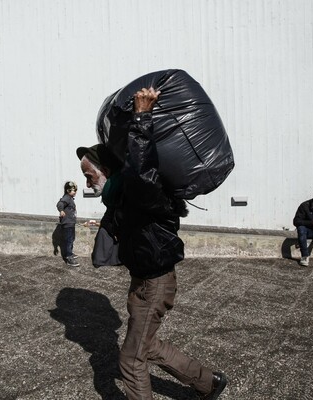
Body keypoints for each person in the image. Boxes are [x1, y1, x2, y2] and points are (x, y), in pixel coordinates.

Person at [76, 88, 227, 400]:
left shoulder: (139, 191)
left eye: (89, 174)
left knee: (131, 359)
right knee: (149, 345)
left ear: (107, 170)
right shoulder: (119, 197)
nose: (87, 182)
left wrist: (143, 118)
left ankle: (208, 382)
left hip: (154, 283)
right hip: (143, 281)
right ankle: (209, 382)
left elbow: (142, 172)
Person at [56, 181, 79, 267]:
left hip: (71, 223)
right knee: (68, 240)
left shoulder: (70, 198)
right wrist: (61, 210)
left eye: (76, 190)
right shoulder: (66, 198)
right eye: (74, 190)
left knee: (71, 239)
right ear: (68, 190)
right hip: (67, 223)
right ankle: (69, 258)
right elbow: (60, 203)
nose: (75, 192)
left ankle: (70, 253)